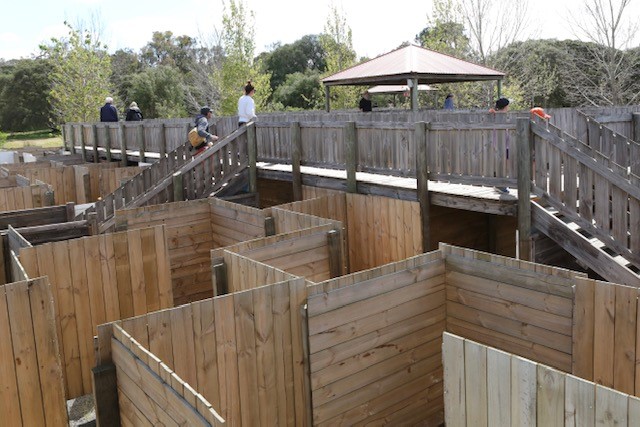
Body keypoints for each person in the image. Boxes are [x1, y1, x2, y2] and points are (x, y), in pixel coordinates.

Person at [490, 97, 511, 194]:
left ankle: (500, 184)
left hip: (503, 144)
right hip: (500, 145)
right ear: (506, 106)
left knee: (504, 165)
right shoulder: (498, 116)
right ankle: (500, 185)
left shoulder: (498, 115)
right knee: (502, 166)